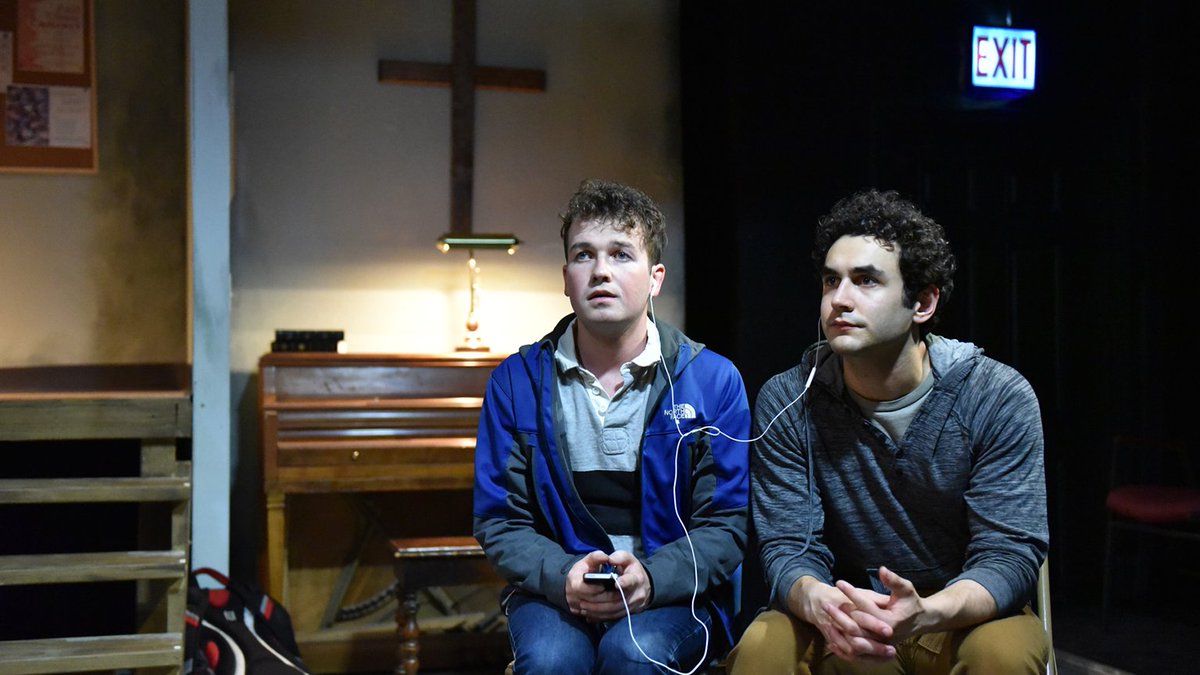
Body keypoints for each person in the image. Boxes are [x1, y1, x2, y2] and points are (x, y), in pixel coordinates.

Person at [727, 189, 1050, 674]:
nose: (839, 300)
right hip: (849, 608)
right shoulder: (789, 399)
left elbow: (1009, 554)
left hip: (962, 612)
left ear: (922, 302)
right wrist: (818, 600)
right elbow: (788, 545)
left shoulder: (994, 395)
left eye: (865, 281)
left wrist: (927, 612)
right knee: (762, 648)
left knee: (1002, 655)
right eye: (831, 281)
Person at [473, 178, 751, 674]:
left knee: (631, 655)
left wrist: (652, 578)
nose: (600, 270)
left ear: (655, 277)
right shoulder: (516, 382)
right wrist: (562, 576)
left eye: (621, 254)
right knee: (554, 660)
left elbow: (725, 526)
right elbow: (499, 520)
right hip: (555, 590)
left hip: (673, 595)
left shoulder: (712, 380)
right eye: (584, 255)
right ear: (565, 277)